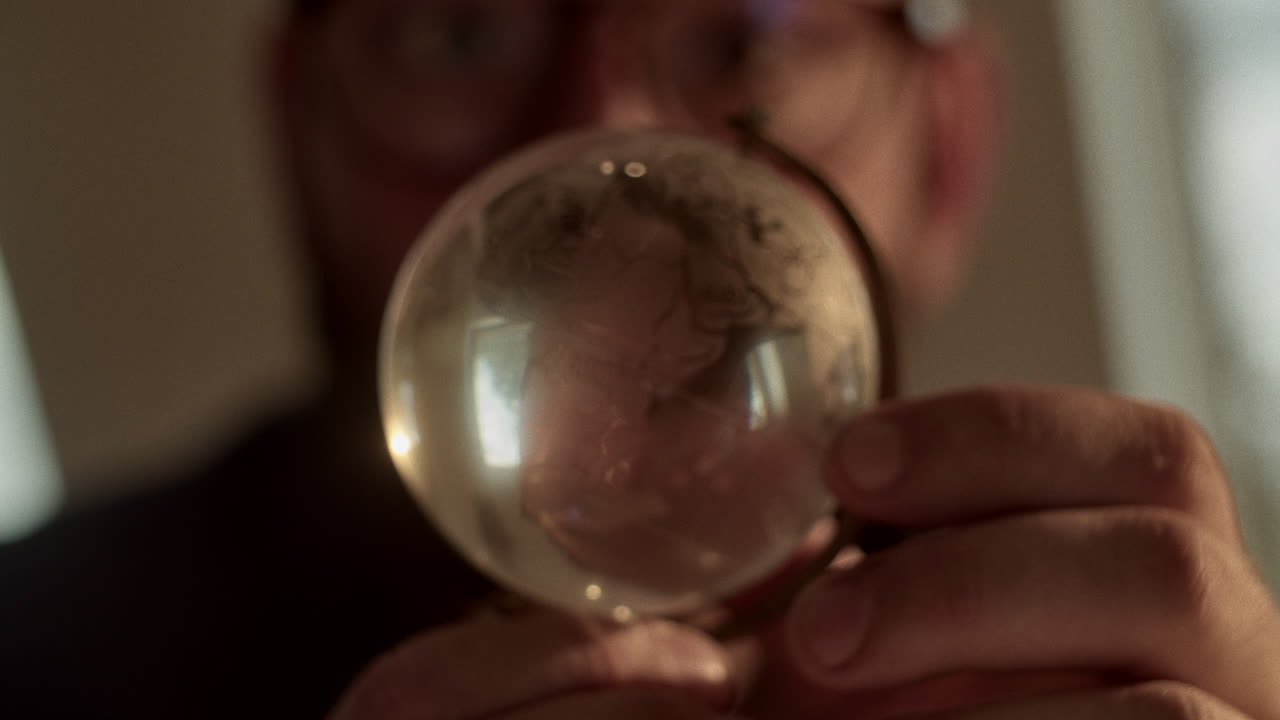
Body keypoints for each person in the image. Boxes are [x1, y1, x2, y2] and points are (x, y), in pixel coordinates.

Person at [2, 1, 1278, 718]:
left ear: (947, 148)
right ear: (296, 123)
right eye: (455, 31)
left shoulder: (1102, 662)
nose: (603, 138)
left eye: (743, 39)